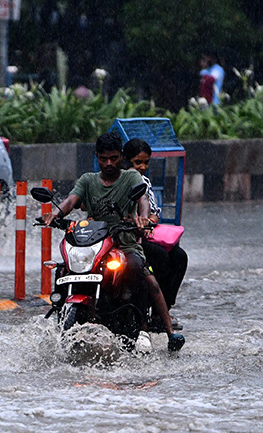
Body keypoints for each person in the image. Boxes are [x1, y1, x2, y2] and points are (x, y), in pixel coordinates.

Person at [43, 131, 183, 350]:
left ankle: (163, 330)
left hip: (125, 243)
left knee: (143, 273)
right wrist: (56, 214)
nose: (108, 163)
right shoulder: (88, 180)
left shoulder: (131, 178)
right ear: (97, 157)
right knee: (63, 269)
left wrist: (143, 218)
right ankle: (59, 311)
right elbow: (72, 199)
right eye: (103, 158)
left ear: (121, 157)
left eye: (114, 158)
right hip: (94, 243)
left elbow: (143, 198)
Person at [123, 138, 188, 318]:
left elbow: (154, 210)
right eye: (138, 162)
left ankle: (163, 309)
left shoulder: (145, 181)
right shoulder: (120, 179)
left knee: (179, 257)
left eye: (146, 162)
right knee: (160, 258)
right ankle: (144, 305)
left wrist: (149, 221)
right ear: (127, 160)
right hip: (126, 237)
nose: (142, 166)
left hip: (145, 235)